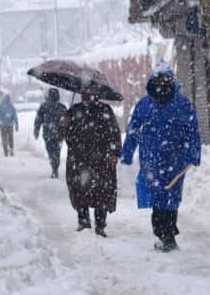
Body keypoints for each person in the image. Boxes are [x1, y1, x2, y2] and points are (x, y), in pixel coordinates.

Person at [121, 63, 201, 252]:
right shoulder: (146, 105)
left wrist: (194, 152)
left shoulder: (181, 104)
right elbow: (133, 131)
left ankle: (167, 235)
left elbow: (192, 131)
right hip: (154, 162)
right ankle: (165, 234)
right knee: (160, 199)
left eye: (164, 81)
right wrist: (127, 152)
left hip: (173, 162)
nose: (161, 85)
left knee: (170, 199)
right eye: (157, 81)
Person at [60, 88, 121, 236]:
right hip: (79, 159)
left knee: (102, 190)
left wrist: (114, 153)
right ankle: (84, 222)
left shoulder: (105, 110)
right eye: (83, 92)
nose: (86, 95)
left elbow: (114, 133)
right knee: (80, 189)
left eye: (89, 92)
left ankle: (100, 225)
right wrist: (64, 124)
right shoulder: (74, 111)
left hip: (101, 159)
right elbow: (64, 135)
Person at [35, 88, 67, 178]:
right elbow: (67, 122)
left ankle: (54, 168)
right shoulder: (62, 107)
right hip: (59, 135)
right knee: (57, 152)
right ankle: (55, 168)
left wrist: (36, 130)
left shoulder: (44, 106)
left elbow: (38, 119)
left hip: (48, 134)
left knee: (50, 151)